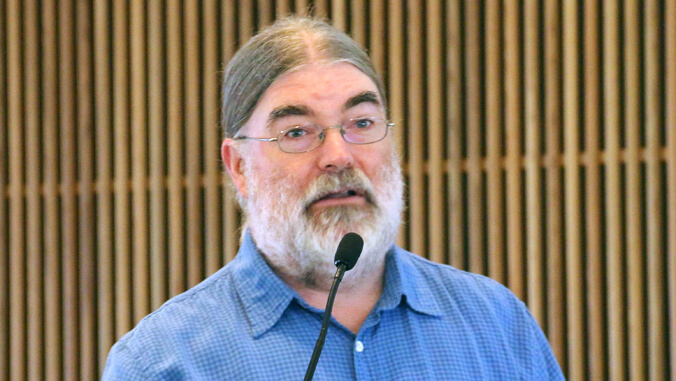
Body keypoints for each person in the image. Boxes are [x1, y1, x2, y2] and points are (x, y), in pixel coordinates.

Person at [102, 16, 564, 380]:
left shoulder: (496, 324)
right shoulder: (162, 364)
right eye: (298, 132)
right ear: (239, 166)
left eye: (361, 123)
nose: (338, 156)